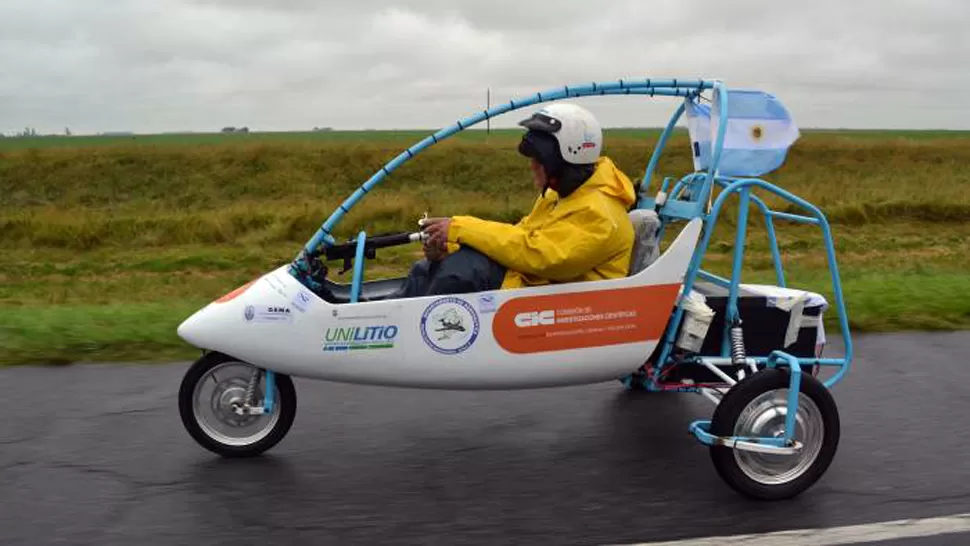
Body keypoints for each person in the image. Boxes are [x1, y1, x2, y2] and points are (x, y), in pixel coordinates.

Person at [397, 102, 637, 298]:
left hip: (571, 310)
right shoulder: (561, 195)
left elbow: (541, 255)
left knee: (460, 274)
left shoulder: (601, 214)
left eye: (539, 158)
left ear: (564, 159)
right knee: (428, 269)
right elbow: (520, 236)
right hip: (536, 290)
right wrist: (448, 244)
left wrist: (460, 228)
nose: (532, 165)